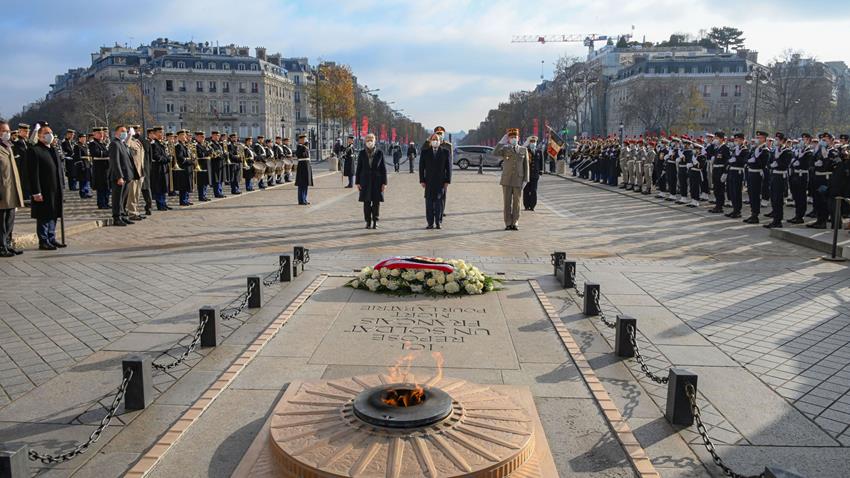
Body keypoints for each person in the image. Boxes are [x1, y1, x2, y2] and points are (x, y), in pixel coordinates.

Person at [27, 123, 65, 250]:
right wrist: (36, 191)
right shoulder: (35, 150)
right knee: (44, 216)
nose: (50, 135)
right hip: (43, 189)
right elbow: (33, 173)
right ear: (39, 136)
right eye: (46, 133)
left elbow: (59, 169)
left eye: (50, 133)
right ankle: (43, 240)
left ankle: (51, 237)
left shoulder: (53, 149)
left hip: (55, 188)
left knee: (53, 214)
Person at [494, 128, 529, 231]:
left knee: (517, 203)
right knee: (507, 202)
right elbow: (495, 153)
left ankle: (515, 222)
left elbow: (525, 166)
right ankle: (508, 223)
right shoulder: (505, 149)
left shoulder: (523, 150)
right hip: (507, 180)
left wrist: (526, 180)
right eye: (512, 137)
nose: (514, 139)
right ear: (508, 139)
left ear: (518, 138)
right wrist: (501, 142)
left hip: (518, 179)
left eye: (515, 137)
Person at [0, 121, 23, 256]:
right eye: (4, 131)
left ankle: (8, 244)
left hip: (11, 190)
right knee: (1, 222)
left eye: (8, 131)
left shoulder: (8, 146)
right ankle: (1, 247)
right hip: (2, 191)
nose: (7, 133)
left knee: (10, 219)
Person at [419, 133, 451, 229]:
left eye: (437, 139)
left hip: (440, 182)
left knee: (439, 203)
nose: (435, 141)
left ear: (440, 141)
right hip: (428, 181)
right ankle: (430, 223)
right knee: (429, 203)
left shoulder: (445, 152)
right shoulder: (425, 152)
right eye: (433, 139)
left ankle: (438, 222)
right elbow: (421, 167)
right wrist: (422, 180)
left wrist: (447, 181)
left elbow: (448, 168)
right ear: (430, 141)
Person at [808, 133, 840, 229]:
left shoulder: (833, 152)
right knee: (817, 201)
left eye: (825, 140)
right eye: (822, 139)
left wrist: (826, 159)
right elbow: (811, 162)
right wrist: (814, 163)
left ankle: (824, 222)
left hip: (826, 178)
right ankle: (819, 220)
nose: (823, 141)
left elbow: (833, 166)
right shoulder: (819, 150)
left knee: (824, 201)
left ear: (831, 140)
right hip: (817, 177)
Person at [355, 134, 387, 229]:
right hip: (365, 181)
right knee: (366, 203)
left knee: (376, 202)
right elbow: (359, 168)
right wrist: (357, 182)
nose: (369, 141)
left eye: (371, 139)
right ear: (365, 141)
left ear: (374, 141)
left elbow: (383, 169)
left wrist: (384, 183)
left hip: (377, 181)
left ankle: (375, 221)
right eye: (368, 140)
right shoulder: (361, 153)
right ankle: (368, 221)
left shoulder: (380, 153)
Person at [108, 125, 135, 226]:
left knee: (123, 198)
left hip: (126, 176)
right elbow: (115, 162)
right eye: (122, 131)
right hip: (119, 176)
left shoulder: (122, 143)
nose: (125, 133)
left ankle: (123, 215)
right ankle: (117, 217)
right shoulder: (114, 144)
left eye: (126, 131)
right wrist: (119, 176)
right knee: (117, 198)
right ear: (116, 133)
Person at [764, 138, 793, 229]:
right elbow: (769, 162)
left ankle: (778, 221)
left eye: (778, 140)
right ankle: (775, 219)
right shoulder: (775, 150)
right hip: (774, 175)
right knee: (773, 198)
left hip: (781, 176)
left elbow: (785, 164)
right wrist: (771, 165)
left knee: (778, 199)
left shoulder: (787, 151)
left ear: (783, 141)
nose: (776, 141)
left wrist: (777, 163)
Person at [744, 132, 770, 224]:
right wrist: (751, 160)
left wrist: (756, 159)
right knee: (751, 194)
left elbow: (762, 164)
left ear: (764, 139)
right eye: (757, 137)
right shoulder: (755, 148)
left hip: (757, 174)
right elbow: (747, 159)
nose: (757, 139)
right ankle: (752, 213)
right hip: (751, 173)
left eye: (759, 137)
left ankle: (755, 215)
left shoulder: (765, 150)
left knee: (755, 195)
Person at [788, 134, 813, 224]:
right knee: (796, 196)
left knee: (801, 196)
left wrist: (800, 163)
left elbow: (808, 164)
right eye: (803, 139)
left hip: (802, 175)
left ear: (809, 140)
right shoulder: (799, 151)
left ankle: (800, 216)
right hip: (795, 175)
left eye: (805, 139)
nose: (803, 141)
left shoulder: (809, 152)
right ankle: (797, 215)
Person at [125, 126, 146, 221]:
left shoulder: (138, 141)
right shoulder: (130, 141)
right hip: (133, 171)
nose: (138, 132)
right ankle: (132, 212)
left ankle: (136, 211)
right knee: (132, 194)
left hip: (140, 170)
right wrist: (129, 135)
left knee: (137, 194)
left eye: (139, 130)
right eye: (136, 130)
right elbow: (126, 144)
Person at [725, 133, 747, 218]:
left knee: (737, 192)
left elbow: (743, 161)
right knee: (732, 192)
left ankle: (738, 211)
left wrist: (736, 159)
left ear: (742, 140)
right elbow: (730, 159)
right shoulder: (735, 149)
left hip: (738, 172)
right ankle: (734, 209)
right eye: (735, 140)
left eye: (737, 140)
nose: (736, 141)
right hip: (732, 171)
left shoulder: (744, 149)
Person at [149, 127, 171, 211]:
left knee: (164, 186)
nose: (162, 134)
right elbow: (156, 156)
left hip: (163, 167)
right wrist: (166, 159)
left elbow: (164, 154)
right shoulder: (153, 144)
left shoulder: (161, 143)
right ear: (155, 134)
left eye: (162, 132)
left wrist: (168, 157)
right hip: (157, 168)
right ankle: (160, 204)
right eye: (160, 132)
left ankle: (164, 203)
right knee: (159, 186)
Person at [708, 132, 730, 213]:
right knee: (716, 189)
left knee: (720, 189)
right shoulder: (717, 148)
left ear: (721, 139)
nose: (715, 140)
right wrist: (712, 144)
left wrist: (725, 173)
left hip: (721, 170)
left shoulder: (725, 148)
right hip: (716, 170)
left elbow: (727, 161)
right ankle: (717, 205)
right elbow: (709, 152)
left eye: (717, 138)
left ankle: (720, 206)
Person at [523, 135, 543, 211]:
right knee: (526, 190)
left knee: (534, 190)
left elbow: (541, 162)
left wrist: (541, 170)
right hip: (527, 174)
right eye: (531, 142)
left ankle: (532, 206)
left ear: (536, 143)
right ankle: (526, 205)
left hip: (535, 174)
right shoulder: (526, 151)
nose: (532, 143)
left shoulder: (539, 151)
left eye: (534, 142)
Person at [174, 130, 194, 206]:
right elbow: (180, 157)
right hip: (183, 167)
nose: (185, 136)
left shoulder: (184, 145)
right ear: (179, 136)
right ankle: (183, 200)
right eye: (183, 135)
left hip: (188, 167)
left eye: (185, 135)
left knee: (187, 184)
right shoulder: (178, 146)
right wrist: (189, 160)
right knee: (183, 185)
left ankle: (186, 199)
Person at [12, 124, 31, 203]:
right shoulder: (17, 142)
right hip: (21, 167)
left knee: (27, 183)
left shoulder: (25, 141)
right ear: (20, 132)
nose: (27, 133)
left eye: (28, 131)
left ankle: (27, 198)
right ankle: (24, 199)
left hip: (26, 166)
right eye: (25, 131)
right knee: (23, 183)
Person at [73, 133, 93, 199]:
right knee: (82, 180)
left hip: (87, 163)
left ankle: (87, 192)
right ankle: (82, 193)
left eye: (84, 138)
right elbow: (77, 157)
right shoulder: (77, 146)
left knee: (87, 179)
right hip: (82, 164)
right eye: (82, 138)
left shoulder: (86, 145)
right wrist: (81, 165)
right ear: (79, 138)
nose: (84, 139)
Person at [295, 133, 313, 205]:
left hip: (307, 165)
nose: (305, 140)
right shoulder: (300, 147)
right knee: (301, 184)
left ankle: (304, 199)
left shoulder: (305, 146)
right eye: (303, 139)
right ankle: (301, 200)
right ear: (300, 140)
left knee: (306, 183)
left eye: (305, 139)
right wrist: (304, 146)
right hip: (302, 166)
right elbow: (300, 155)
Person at [194, 132, 211, 202]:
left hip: (205, 165)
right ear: (197, 137)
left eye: (203, 137)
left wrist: (209, 150)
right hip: (200, 165)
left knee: (205, 182)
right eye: (201, 137)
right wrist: (208, 152)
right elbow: (200, 155)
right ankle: (201, 196)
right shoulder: (196, 145)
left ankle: (204, 195)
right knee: (201, 182)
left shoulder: (203, 145)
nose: (203, 138)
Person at [209, 131, 226, 198]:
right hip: (215, 163)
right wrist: (220, 155)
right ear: (213, 136)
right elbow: (213, 154)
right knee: (216, 179)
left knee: (220, 178)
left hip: (221, 163)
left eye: (218, 135)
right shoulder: (211, 144)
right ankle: (217, 193)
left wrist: (224, 155)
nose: (218, 137)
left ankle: (220, 191)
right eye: (216, 135)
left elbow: (221, 153)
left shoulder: (218, 144)